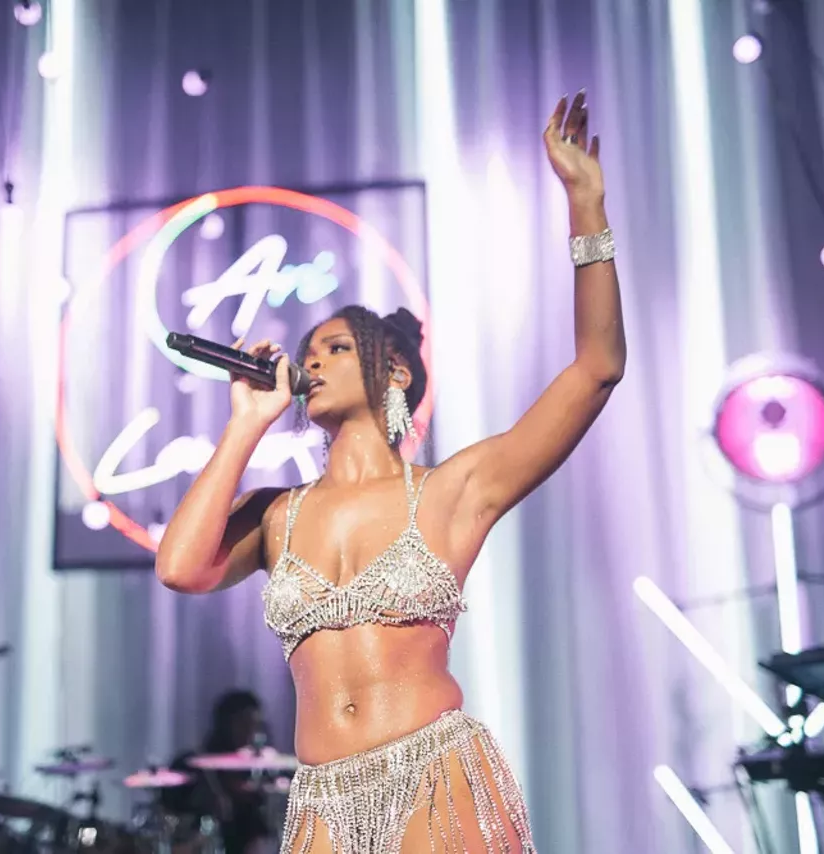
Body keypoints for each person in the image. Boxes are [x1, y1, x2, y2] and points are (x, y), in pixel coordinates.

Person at [156, 92, 624, 853]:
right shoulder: (279, 515)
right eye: (311, 352)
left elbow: (598, 368)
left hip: (434, 777)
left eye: (337, 347)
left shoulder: (452, 490)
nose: (313, 359)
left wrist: (585, 206)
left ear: (395, 371)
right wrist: (245, 423)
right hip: (320, 801)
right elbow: (180, 569)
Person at [164, 690, 278, 854]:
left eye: (254, 725)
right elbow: (171, 812)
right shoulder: (190, 765)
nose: (250, 732)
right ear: (225, 724)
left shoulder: (256, 770)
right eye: (243, 723)